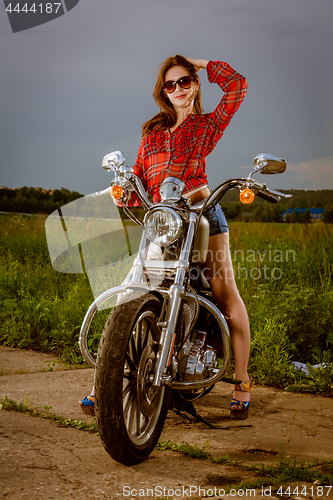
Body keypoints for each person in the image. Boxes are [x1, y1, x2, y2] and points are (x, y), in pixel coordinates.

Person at [80, 55, 252, 419]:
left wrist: (200, 62)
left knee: (224, 293)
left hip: (202, 212)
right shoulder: (153, 133)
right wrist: (124, 189)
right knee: (132, 290)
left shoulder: (207, 125)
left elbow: (237, 85)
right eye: (170, 84)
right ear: (163, 91)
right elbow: (140, 177)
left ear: (195, 84)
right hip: (163, 222)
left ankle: (241, 381)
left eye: (184, 81)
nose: (177, 89)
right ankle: (103, 383)